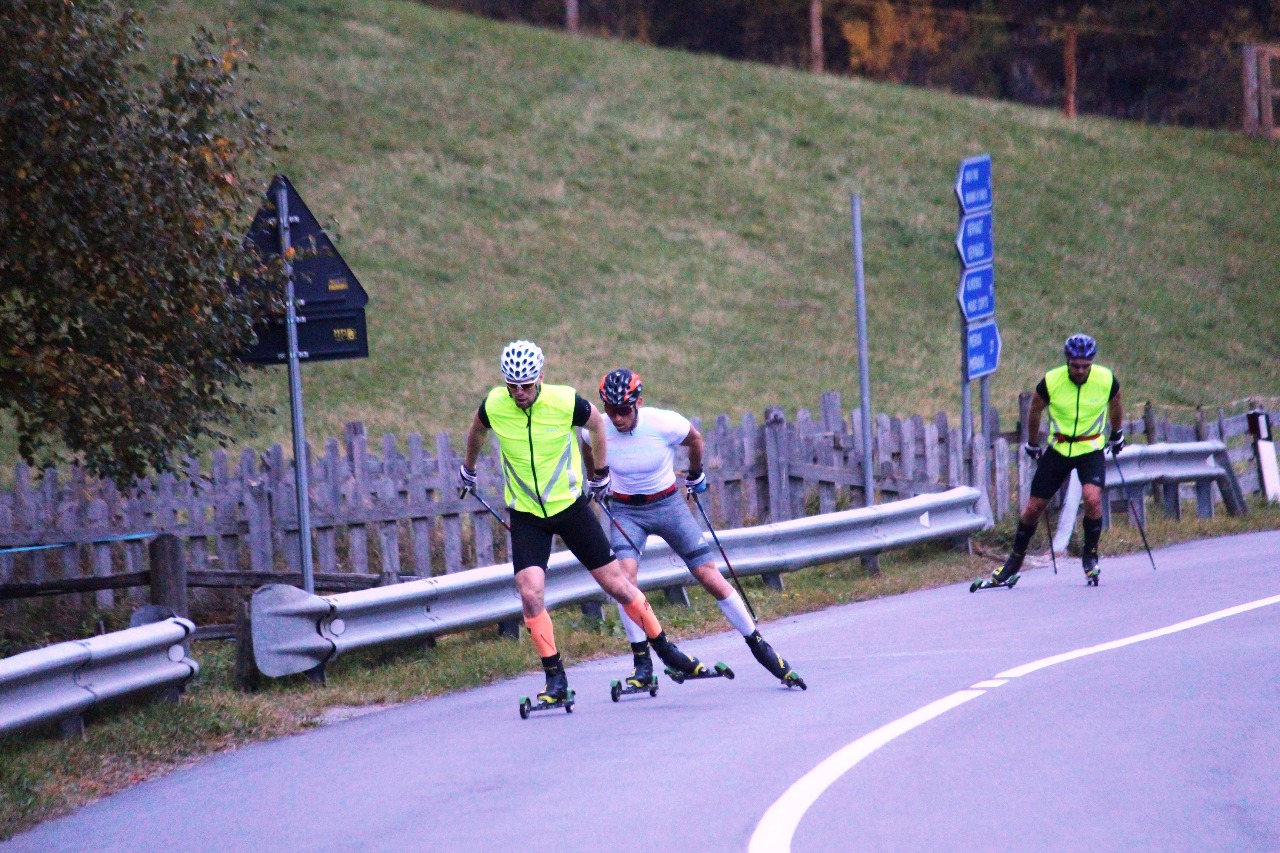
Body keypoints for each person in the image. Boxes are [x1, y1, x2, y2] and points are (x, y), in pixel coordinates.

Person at [458, 341, 706, 708]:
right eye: (512, 385)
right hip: (527, 514)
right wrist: (469, 468)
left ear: (540, 377)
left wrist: (600, 473)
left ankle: (666, 649)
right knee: (530, 592)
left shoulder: (563, 400)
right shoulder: (494, 404)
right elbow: (477, 431)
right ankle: (555, 678)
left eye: (526, 385)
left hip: (571, 507)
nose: (519, 392)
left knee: (618, 585)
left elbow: (596, 425)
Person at [582, 367, 806, 688]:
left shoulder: (663, 423)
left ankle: (760, 645)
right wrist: (597, 477)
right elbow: (587, 446)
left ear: (638, 403)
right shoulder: (598, 428)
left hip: (668, 505)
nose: (617, 418)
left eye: (623, 410)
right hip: (626, 510)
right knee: (623, 581)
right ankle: (642, 663)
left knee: (707, 574)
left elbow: (695, 439)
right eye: (610, 410)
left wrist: (696, 472)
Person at [992, 333, 1124, 586]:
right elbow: (1035, 409)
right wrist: (1032, 442)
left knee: (1092, 499)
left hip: (1090, 447)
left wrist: (1117, 434)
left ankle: (1090, 557)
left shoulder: (1106, 379)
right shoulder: (1052, 380)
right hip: (1060, 448)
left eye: (1085, 366)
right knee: (1034, 507)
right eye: (1075, 366)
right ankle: (1015, 560)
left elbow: (1116, 402)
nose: (1080, 371)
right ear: (1067, 362)